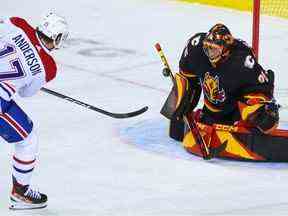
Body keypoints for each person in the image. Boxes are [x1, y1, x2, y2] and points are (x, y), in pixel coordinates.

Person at [163, 23, 280, 143]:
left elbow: (262, 86)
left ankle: (247, 120)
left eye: (214, 49)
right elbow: (186, 76)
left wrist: (263, 109)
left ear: (225, 49)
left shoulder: (242, 60)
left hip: (235, 110)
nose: (209, 52)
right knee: (177, 125)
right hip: (210, 111)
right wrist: (182, 106)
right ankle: (206, 117)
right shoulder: (196, 46)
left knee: (262, 118)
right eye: (207, 47)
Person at [0, 11, 68, 210]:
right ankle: (20, 193)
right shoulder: (49, 67)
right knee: (28, 141)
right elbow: (26, 92)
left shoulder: (18, 24)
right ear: (56, 38)